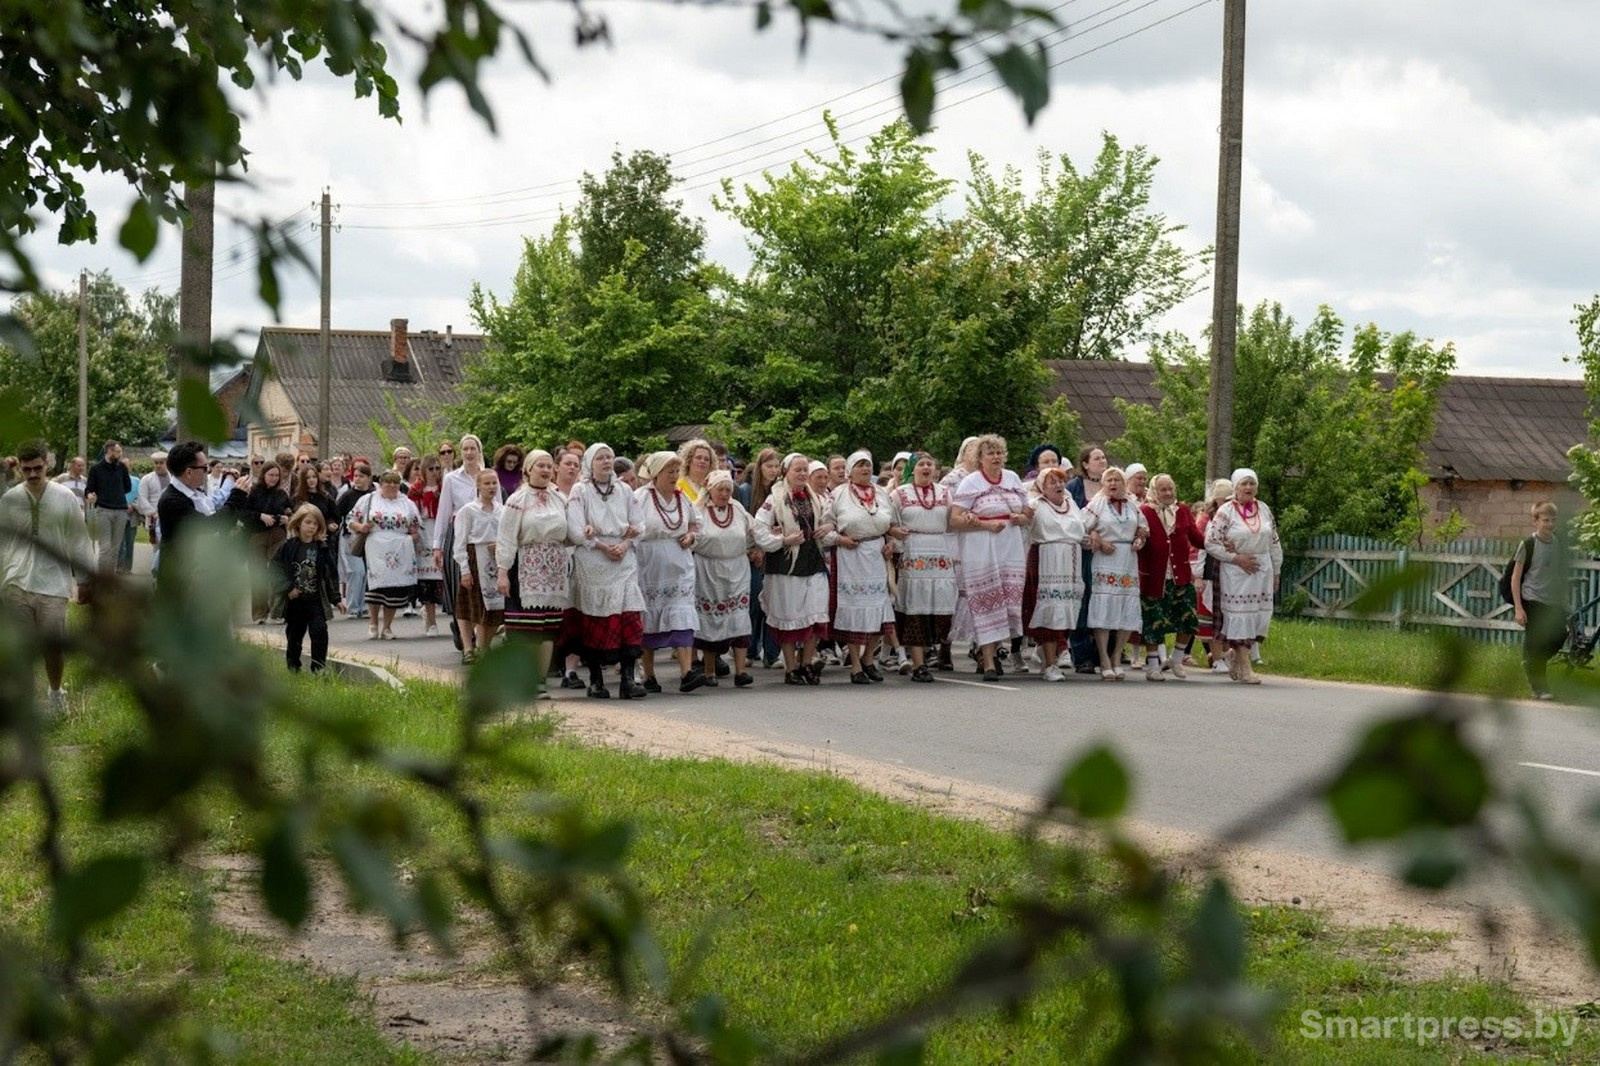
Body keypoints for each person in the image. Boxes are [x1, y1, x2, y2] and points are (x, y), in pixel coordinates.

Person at [1, 440, 94, 714]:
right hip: (15, 582)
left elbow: (79, 539)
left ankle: (55, 693)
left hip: (53, 583)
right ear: (19, 468)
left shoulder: (64, 497)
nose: (32, 474)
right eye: (26, 469)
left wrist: (85, 579)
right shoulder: (10, 500)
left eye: (37, 468)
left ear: (47, 464)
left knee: (53, 648)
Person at [566, 443, 647, 700]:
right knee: (595, 619)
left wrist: (624, 544)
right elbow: (576, 529)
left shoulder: (624, 489)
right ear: (590, 463)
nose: (606, 461)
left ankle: (627, 680)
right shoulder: (581, 491)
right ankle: (596, 681)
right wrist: (600, 545)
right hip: (593, 560)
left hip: (623, 559)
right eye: (600, 458)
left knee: (628, 616)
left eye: (609, 457)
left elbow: (639, 523)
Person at [950, 435, 1033, 682]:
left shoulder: (1013, 479)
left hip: (1010, 546)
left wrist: (1022, 518)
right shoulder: (970, 482)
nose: (996, 457)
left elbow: (1027, 511)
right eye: (990, 453)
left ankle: (995, 652)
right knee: (987, 602)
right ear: (980, 458)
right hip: (982, 546)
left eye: (999, 453)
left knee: (1006, 602)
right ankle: (986, 661)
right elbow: (955, 519)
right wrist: (981, 525)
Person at [751, 453, 836, 686]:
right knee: (789, 615)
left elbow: (833, 519)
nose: (801, 474)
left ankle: (807, 662)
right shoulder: (775, 499)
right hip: (785, 567)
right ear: (785, 472)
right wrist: (782, 541)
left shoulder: (817, 498)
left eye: (804, 470)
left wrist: (828, 526)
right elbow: (758, 530)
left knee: (816, 612)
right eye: (797, 470)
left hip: (813, 561)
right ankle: (791, 667)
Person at [633, 451, 707, 693]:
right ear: (656, 473)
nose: (675, 476)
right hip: (649, 563)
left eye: (677, 471)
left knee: (682, 612)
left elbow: (697, 522)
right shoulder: (640, 498)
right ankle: (650, 675)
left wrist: (691, 535)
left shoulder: (682, 497)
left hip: (680, 563)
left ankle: (687, 673)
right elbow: (631, 526)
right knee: (649, 617)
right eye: (670, 472)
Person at [496, 449, 572, 681]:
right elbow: (506, 537)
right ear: (528, 469)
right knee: (528, 628)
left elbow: (570, 532)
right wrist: (503, 572)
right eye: (541, 466)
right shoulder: (517, 500)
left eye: (550, 466)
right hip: (526, 567)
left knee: (548, 629)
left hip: (554, 570)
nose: (546, 470)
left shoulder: (560, 498)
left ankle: (540, 680)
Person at [1203, 468, 1281, 684]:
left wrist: (1277, 570)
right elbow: (1211, 542)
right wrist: (1235, 558)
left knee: (1256, 618)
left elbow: (1274, 541)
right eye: (1244, 484)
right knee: (1241, 617)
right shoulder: (1226, 511)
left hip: (1262, 568)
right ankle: (1246, 668)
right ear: (1235, 487)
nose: (1248, 488)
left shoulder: (1263, 509)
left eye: (1252, 484)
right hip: (1237, 571)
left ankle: (1233, 656)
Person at [888, 452, 956, 683]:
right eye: (921, 464)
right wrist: (893, 532)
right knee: (916, 608)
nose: (926, 467)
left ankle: (928, 654)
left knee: (940, 608)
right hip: (913, 551)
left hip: (939, 552)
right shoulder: (899, 494)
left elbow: (953, 520)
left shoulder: (945, 493)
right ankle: (918, 664)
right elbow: (888, 521)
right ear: (913, 469)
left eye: (930, 463)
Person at [831, 450, 897, 685]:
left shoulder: (881, 493)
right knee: (855, 611)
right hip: (852, 555)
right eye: (859, 465)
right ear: (850, 471)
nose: (865, 469)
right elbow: (826, 527)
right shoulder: (838, 494)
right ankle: (856, 666)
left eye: (867, 465)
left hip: (876, 554)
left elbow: (892, 525)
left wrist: (891, 543)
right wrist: (840, 540)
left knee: (880, 610)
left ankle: (868, 658)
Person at [1080, 466, 1148, 681]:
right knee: (1104, 607)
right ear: (1103, 483)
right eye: (1108, 480)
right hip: (1105, 560)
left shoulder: (1133, 505)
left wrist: (1140, 539)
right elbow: (1081, 528)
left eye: (1116, 480)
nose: (1112, 484)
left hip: (1127, 558)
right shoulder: (1097, 504)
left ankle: (1117, 655)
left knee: (1126, 607)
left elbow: (1143, 529)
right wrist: (1098, 541)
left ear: (1123, 483)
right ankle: (1104, 658)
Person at [1135, 473, 1203, 681]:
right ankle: (1153, 665)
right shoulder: (1144, 511)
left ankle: (1176, 658)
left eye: (1170, 489)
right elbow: (1137, 538)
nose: (1167, 493)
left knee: (1189, 618)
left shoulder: (1182, 510)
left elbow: (1197, 538)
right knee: (1154, 621)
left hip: (1180, 576)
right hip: (1154, 576)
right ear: (1154, 491)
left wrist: (1219, 542)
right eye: (1162, 489)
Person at [692, 470, 755, 687]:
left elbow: (752, 532)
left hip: (737, 567)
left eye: (728, 489)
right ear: (710, 489)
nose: (725, 493)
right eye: (720, 488)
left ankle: (741, 671)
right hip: (708, 569)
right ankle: (709, 671)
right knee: (711, 619)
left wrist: (758, 547)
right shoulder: (698, 510)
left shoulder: (737, 509)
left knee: (739, 616)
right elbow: (691, 537)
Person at [1023, 467, 1086, 683]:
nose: (1059, 485)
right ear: (1042, 487)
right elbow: (1022, 524)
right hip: (1047, 561)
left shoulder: (1071, 503)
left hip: (1070, 564)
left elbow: (1083, 529)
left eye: (1061, 481)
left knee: (1067, 611)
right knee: (1050, 612)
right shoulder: (1035, 505)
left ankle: (1049, 656)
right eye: (1053, 482)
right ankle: (1049, 663)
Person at [348, 470, 422, 640]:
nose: (391, 485)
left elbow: (418, 528)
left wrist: (413, 536)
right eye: (387, 482)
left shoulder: (407, 503)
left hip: (400, 549)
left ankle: (387, 627)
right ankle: (373, 623)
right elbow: (350, 520)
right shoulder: (369, 500)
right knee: (376, 584)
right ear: (380, 484)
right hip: (376, 547)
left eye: (395, 482)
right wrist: (361, 528)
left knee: (395, 588)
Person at [272, 503, 343, 674]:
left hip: (315, 600)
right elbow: (275, 569)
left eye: (316, 524)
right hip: (296, 602)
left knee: (319, 632)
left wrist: (336, 598)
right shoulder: (288, 547)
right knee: (294, 636)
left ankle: (318, 668)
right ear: (298, 524)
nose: (312, 527)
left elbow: (331, 574)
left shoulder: (322, 549)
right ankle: (293, 667)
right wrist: (288, 588)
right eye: (308, 522)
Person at [434, 434, 486, 649]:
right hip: (458, 534)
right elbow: (443, 511)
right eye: (465, 449)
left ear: (479, 451)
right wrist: (437, 545)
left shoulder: (487, 476)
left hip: (483, 534)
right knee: (460, 585)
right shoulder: (451, 479)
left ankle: (477, 631)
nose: (469, 453)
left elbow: (499, 508)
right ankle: (462, 627)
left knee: (482, 586)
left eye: (472, 448)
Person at [1510, 500, 1566, 701]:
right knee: (1537, 643)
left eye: (1553, 520)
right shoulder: (1528, 545)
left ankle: (1532, 662)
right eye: (1545, 520)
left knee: (1561, 634)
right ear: (1535, 521)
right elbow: (1515, 577)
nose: (1550, 524)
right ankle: (1540, 689)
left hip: (1552, 601)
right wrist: (1518, 608)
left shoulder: (1557, 543)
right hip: (1532, 599)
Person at [453, 468, 506, 664]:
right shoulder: (468, 510)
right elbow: (460, 543)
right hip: (476, 558)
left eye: (494, 483)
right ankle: (469, 647)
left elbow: (507, 537)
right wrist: (464, 569)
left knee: (494, 607)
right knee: (473, 606)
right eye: (487, 483)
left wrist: (500, 546)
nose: (491, 487)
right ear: (478, 486)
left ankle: (483, 646)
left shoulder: (502, 510)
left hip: (495, 561)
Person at [737, 447, 782, 669]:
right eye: (769, 466)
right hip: (751, 554)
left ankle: (772, 654)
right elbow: (743, 523)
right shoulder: (745, 491)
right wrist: (753, 549)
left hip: (774, 552)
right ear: (759, 467)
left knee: (773, 603)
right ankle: (751, 647)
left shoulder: (780, 492)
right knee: (754, 602)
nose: (773, 471)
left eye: (776, 466)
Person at [1066, 444, 1109, 673]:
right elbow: (1070, 517)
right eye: (1097, 458)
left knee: (1104, 599)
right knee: (1083, 599)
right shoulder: (1074, 487)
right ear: (1085, 463)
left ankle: (1104, 653)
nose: (1102, 461)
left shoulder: (1112, 484)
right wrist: (1089, 532)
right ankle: (1081, 654)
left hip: (1108, 552)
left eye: (1103, 458)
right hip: (1083, 550)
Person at [242, 461, 292, 622]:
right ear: (263, 475)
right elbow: (243, 514)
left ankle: (278, 610)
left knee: (277, 571)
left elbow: (291, 511)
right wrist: (260, 516)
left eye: (277, 475)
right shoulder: (253, 492)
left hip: (278, 535)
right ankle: (259, 613)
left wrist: (287, 518)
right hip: (257, 534)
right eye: (271, 475)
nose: (274, 478)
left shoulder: (282, 494)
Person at [1194, 478, 1234, 672]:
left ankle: (1226, 656)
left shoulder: (1235, 516)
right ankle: (1217, 658)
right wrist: (1198, 576)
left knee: (1227, 615)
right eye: (1224, 500)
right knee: (1211, 616)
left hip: (1230, 571)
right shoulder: (1206, 519)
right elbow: (1199, 548)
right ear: (1217, 500)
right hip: (1211, 572)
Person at [409, 454, 447, 636]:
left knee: (442, 578)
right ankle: (431, 621)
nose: (434, 472)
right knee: (427, 581)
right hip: (423, 533)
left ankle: (438, 611)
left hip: (440, 531)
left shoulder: (445, 488)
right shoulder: (416, 490)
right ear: (424, 471)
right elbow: (412, 513)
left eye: (437, 469)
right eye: (430, 469)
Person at [84, 439, 134, 573]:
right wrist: (90, 495)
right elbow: (89, 489)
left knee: (115, 548)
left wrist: (115, 492)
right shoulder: (96, 469)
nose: (120, 454)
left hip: (121, 510)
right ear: (109, 451)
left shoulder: (122, 467)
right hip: (103, 510)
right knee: (105, 547)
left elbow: (127, 487)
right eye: (118, 452)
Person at [335, 464, 374, 619]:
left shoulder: (373, 495)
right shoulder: (348, 495)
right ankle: (352, 606)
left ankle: (363, 606)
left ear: (369, 478)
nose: (357, 479)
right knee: (357, 571)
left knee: (367, 572)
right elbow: (336, 513)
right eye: (355, 476)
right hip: (351, 538)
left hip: (370, 538)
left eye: (361, 476)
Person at [134, 451, 172, 571]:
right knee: (157, 546)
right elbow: (142, 498)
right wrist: (152, 513)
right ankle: (156, 570)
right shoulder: (147, 479)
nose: (158, 465)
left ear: (167, 463)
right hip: (154, 517)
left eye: (161, 463)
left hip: (170, 515)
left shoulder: (174, 477)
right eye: (156, 463)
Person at [675, 438, 716, 506]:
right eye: (698, 457)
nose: (702, 461)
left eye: (706, 459)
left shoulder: (714, 486)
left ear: (710, 464)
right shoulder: (678, 485)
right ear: (688, 460)